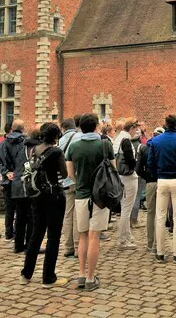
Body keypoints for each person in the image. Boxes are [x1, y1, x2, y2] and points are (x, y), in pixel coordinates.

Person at [66, 113, 115, 292]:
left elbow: (70, 175)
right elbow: (113, 169)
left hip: (81, 194)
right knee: (95, 236)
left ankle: (81, 274)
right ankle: (90, 277)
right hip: (100, 196)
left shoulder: (74, 146)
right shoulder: (105, 144)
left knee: (83, 235)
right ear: (96, 127)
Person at [21, 122, 69, 288]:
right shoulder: (56, 151)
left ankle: (26, 273)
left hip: (37, 196)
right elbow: (64, 173)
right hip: (54, 196)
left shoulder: (34, 150)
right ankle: (48, 277)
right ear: (56, 136)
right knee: (53, 237)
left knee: (36, 234)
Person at [148, 114, 176, 263]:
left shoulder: (155, 141)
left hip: (162, 179)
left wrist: (157, 176)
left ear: (165, 124)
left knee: (160, 217)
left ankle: (160, 252)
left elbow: (151, 162)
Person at [0, 119, 32, 252]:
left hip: (8, 180)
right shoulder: (26, 142)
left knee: (9, 209)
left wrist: (6, 173)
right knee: (24, 212)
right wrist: (22, 174)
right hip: (22, 181)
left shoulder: (3, 143)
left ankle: (8, 233)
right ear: (22, 129)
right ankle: (20, 238)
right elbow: (28, 162)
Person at [136, 126, 162, 252]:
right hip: (162, 181)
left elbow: (138, 169)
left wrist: (147, 177)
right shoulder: (163, 147)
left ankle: (150, 243)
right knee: (161, 214)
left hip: (150, 182)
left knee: (151, 213)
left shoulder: (144, 147)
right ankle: (159, 243)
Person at [114, 118, 139, 249]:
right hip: (128, 176)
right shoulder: (126, 140)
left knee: (124, 206)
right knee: (126, 208)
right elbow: (130, 160)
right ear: (131, 128)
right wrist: (136, 164)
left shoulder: (118, 138)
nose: (136, 131)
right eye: (135, 129)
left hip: (120, 175)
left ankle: (127, 234)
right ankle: (123, 239)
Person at [58, 118, 81, 258]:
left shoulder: (60, 140)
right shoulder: (79, 137)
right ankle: (79, 246)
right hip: (77, 177)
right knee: (78, 213)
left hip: (65, 179)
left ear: (63, 128)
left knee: (68, 213)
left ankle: (68, 247)